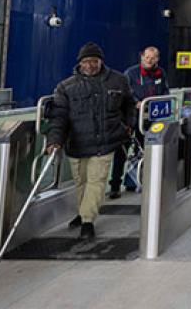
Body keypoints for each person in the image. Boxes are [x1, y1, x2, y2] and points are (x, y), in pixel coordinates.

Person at [46, 42, 136, 239]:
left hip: (105, 141)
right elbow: (59, 117)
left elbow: (130, 103)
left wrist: (129, 123)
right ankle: (82, 212)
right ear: (79, 63)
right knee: (82, 181)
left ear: (101, 61)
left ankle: (87, 221)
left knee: (96, 180)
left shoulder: (118, 80)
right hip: (76, 143)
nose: (90, 65)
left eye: (94, 61)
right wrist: (54, 141)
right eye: (86, 62)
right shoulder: (66, 87)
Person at [108, 46, 169, 199]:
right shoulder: (131, 73)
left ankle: (135, 181)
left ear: (157, 59)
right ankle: (115, 185)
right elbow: (125, 92)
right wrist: (136, 102)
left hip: (149, 119)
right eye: (147, 57)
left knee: (144, 150)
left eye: (153, 57)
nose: (149, 60)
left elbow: (165, 92)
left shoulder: (161, 73)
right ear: (142, 57)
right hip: (130, 117)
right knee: (121, 151)